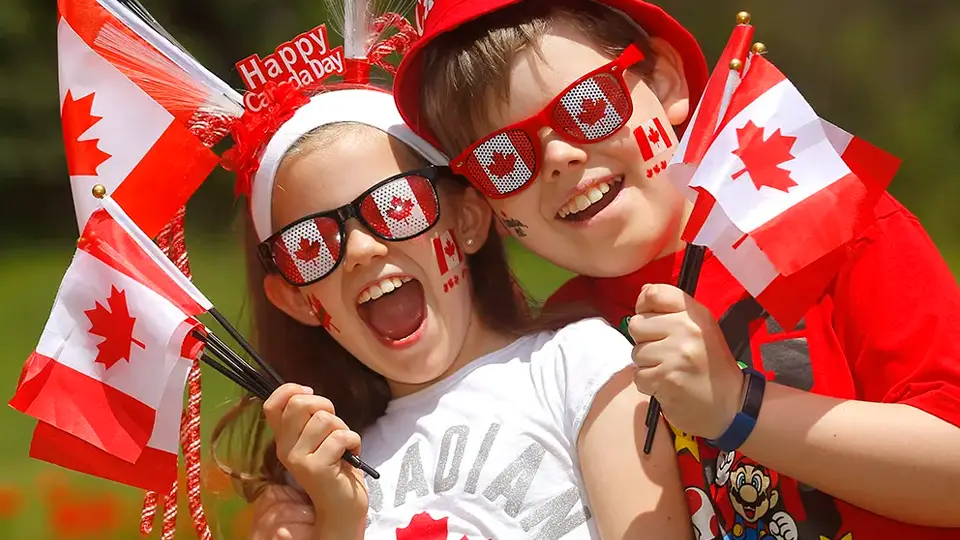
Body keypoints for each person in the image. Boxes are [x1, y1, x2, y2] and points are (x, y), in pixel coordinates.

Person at [388, 0, 960, 538]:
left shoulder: (825, 217)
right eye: (503, 157)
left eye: (588, 105)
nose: (560, 156)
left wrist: (738, 406)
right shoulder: (558, 341)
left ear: (663, 82)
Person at [218, 81, 691, 539]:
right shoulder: (311, 479)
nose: (361, 248)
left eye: (395, 205)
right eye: (311, 245)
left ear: (467, 219)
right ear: (297, 299)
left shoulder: (578, 364)